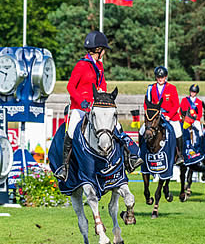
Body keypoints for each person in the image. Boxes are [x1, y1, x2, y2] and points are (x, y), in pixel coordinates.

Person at [55, 30, 142, 181]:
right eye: (104, 50)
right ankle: (64, 167)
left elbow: (102, 84)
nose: (104, 53)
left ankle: (130, 158)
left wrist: (104, 96)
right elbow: (70, 87)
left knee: (116, 127)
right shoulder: (82, 65)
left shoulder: (99, 67)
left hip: (96, 106)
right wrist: (81, 101)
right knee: (70, 133)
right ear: (98, 50)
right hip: (80, 107)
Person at [140, 66, 184, 165]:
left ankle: (180, 155)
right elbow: (146, 103)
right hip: (156, 116)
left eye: (162, 77)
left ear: (166, 77)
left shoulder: (172, 88)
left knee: (178, 131)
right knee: (142, 130)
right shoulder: (151, 88)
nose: (160, 79)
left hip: (170, 116)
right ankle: (140, 154)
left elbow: (176, 104)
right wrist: (150, 115)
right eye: (159, 77)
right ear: (156, 77)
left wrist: (169, 115)